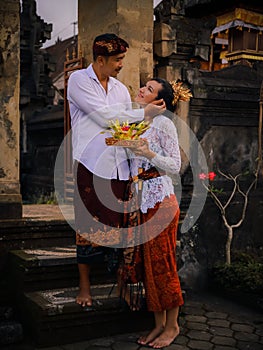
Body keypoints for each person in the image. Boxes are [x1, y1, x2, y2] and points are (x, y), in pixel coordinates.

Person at [67, 33, 165, 308]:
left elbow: (125, 128)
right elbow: (104, 117)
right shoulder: (78, 81)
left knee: (121, 230)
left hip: (120, 166)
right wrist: (144, 112)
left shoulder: (120, 89)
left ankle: (122, 286)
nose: (121, 64)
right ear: (101, 60)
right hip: (91, 163)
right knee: (88, 227)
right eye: (118, 60)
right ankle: (84, 288)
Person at [119, 78, 191, 348]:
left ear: (159, 101)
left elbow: (174, 164)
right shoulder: (137, 122)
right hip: (140, 201)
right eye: (144, 86)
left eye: (149, 89)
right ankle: (158, 324)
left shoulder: (164, 124)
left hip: (160, 201)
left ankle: (173, 326)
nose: (141, 89)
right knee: (148, 265)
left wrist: (148, 152)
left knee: (163, 265)